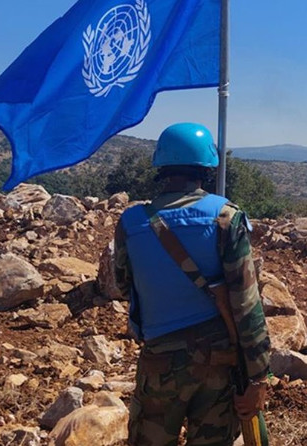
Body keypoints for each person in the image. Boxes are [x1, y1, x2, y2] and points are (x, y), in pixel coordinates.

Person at [114, 123, 271, 446]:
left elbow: (122, 284)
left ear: (161, 169)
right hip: (218, 364)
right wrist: (257, 376)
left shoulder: (130, 223)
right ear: (206, 169)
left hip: (159, 362)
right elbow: (246, 304)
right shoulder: (226, 217)